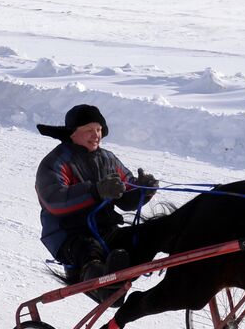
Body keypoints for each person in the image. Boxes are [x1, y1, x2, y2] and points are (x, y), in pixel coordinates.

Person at [34, 104, 158, 301]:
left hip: (105, 231)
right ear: (72, 133)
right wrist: (96, 191)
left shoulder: (107, 159)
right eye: (89, 130)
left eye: (99, 129)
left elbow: (126, 198)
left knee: (143, 236)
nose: (96, 135)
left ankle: (120, 270)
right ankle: (106, 289)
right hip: (69, 235)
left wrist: (143, 190)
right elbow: (55, 201)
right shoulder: (55, 162)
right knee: (90, 251)